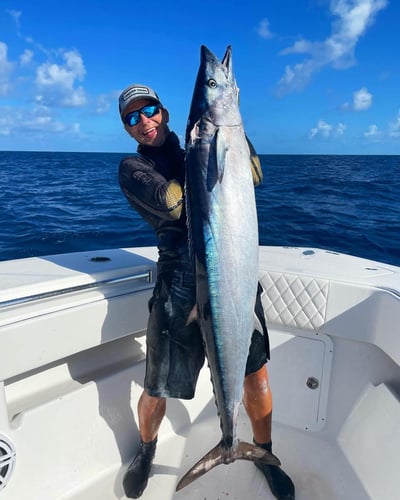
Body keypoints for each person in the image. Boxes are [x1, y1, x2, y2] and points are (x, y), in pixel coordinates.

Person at [118, 83, 295, 500]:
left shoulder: (204, 144)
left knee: (256, 376)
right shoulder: (133, 168)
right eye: (133, 118)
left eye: (150, 111)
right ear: (128, 129)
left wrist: (229, 131)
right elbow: (175, 203)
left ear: (164, 112)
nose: (144, 122)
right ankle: (146, 452)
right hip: (178, 285)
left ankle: (261, 452)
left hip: (232, 273)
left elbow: (253, 174)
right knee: (157, 386)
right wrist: (207, 152)